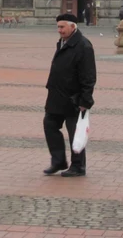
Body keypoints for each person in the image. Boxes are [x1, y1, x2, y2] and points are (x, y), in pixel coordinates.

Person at [43, 13, 97, 178]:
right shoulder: (63, 42)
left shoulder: (83, 46)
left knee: (75, 133)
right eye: (58, 27)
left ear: (73, 27)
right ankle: (58, 160)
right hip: (56, 96)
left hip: (74, 98)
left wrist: (85, 100)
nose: (59, 30)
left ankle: (78, 166)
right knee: (50, 124)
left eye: (62, 27)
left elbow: (89, 76)